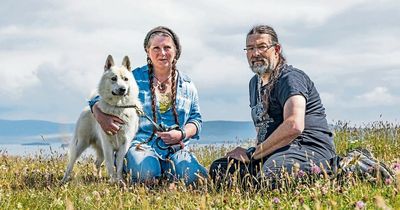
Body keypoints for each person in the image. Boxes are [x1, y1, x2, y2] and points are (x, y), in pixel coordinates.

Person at [209, 25, 338, 188]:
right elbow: (262, 128)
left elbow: (294, 126)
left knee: (273, 175)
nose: (255, 53)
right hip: (275, 152)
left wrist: (252, 154)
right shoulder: (254, 84)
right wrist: (254, 155)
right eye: (250, 48)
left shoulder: (290, 78)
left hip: (306, 148)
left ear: (276, 49)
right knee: (220, 169)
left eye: (262, 47)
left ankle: (342, 170)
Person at [91, 26, 208, 185]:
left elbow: (196, 120)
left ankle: (169, 173)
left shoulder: (187, 85)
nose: (162, 53)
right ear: (147, 51)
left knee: (197, 180)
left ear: (176, 50)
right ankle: (137, 168)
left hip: (177, 149)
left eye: (167, 47)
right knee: (146, 175)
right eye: (156, 48)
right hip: (141, 145)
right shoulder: (132, 77)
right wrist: (99, 114)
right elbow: (100, 95)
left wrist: (181, 134)